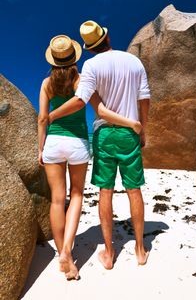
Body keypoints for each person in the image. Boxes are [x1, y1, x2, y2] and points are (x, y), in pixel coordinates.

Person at [38, 35, 143, 280]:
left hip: (53, 142)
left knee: (56, 200)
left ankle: (61, 252)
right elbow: (98, 108)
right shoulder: (81, 80)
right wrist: (132, 123)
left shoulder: (46, 84)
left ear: (53, 60)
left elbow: (42, 118)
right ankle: (67, 251)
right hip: (77, 144)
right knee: (76, 195)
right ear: (73, 58)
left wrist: (40, 148)